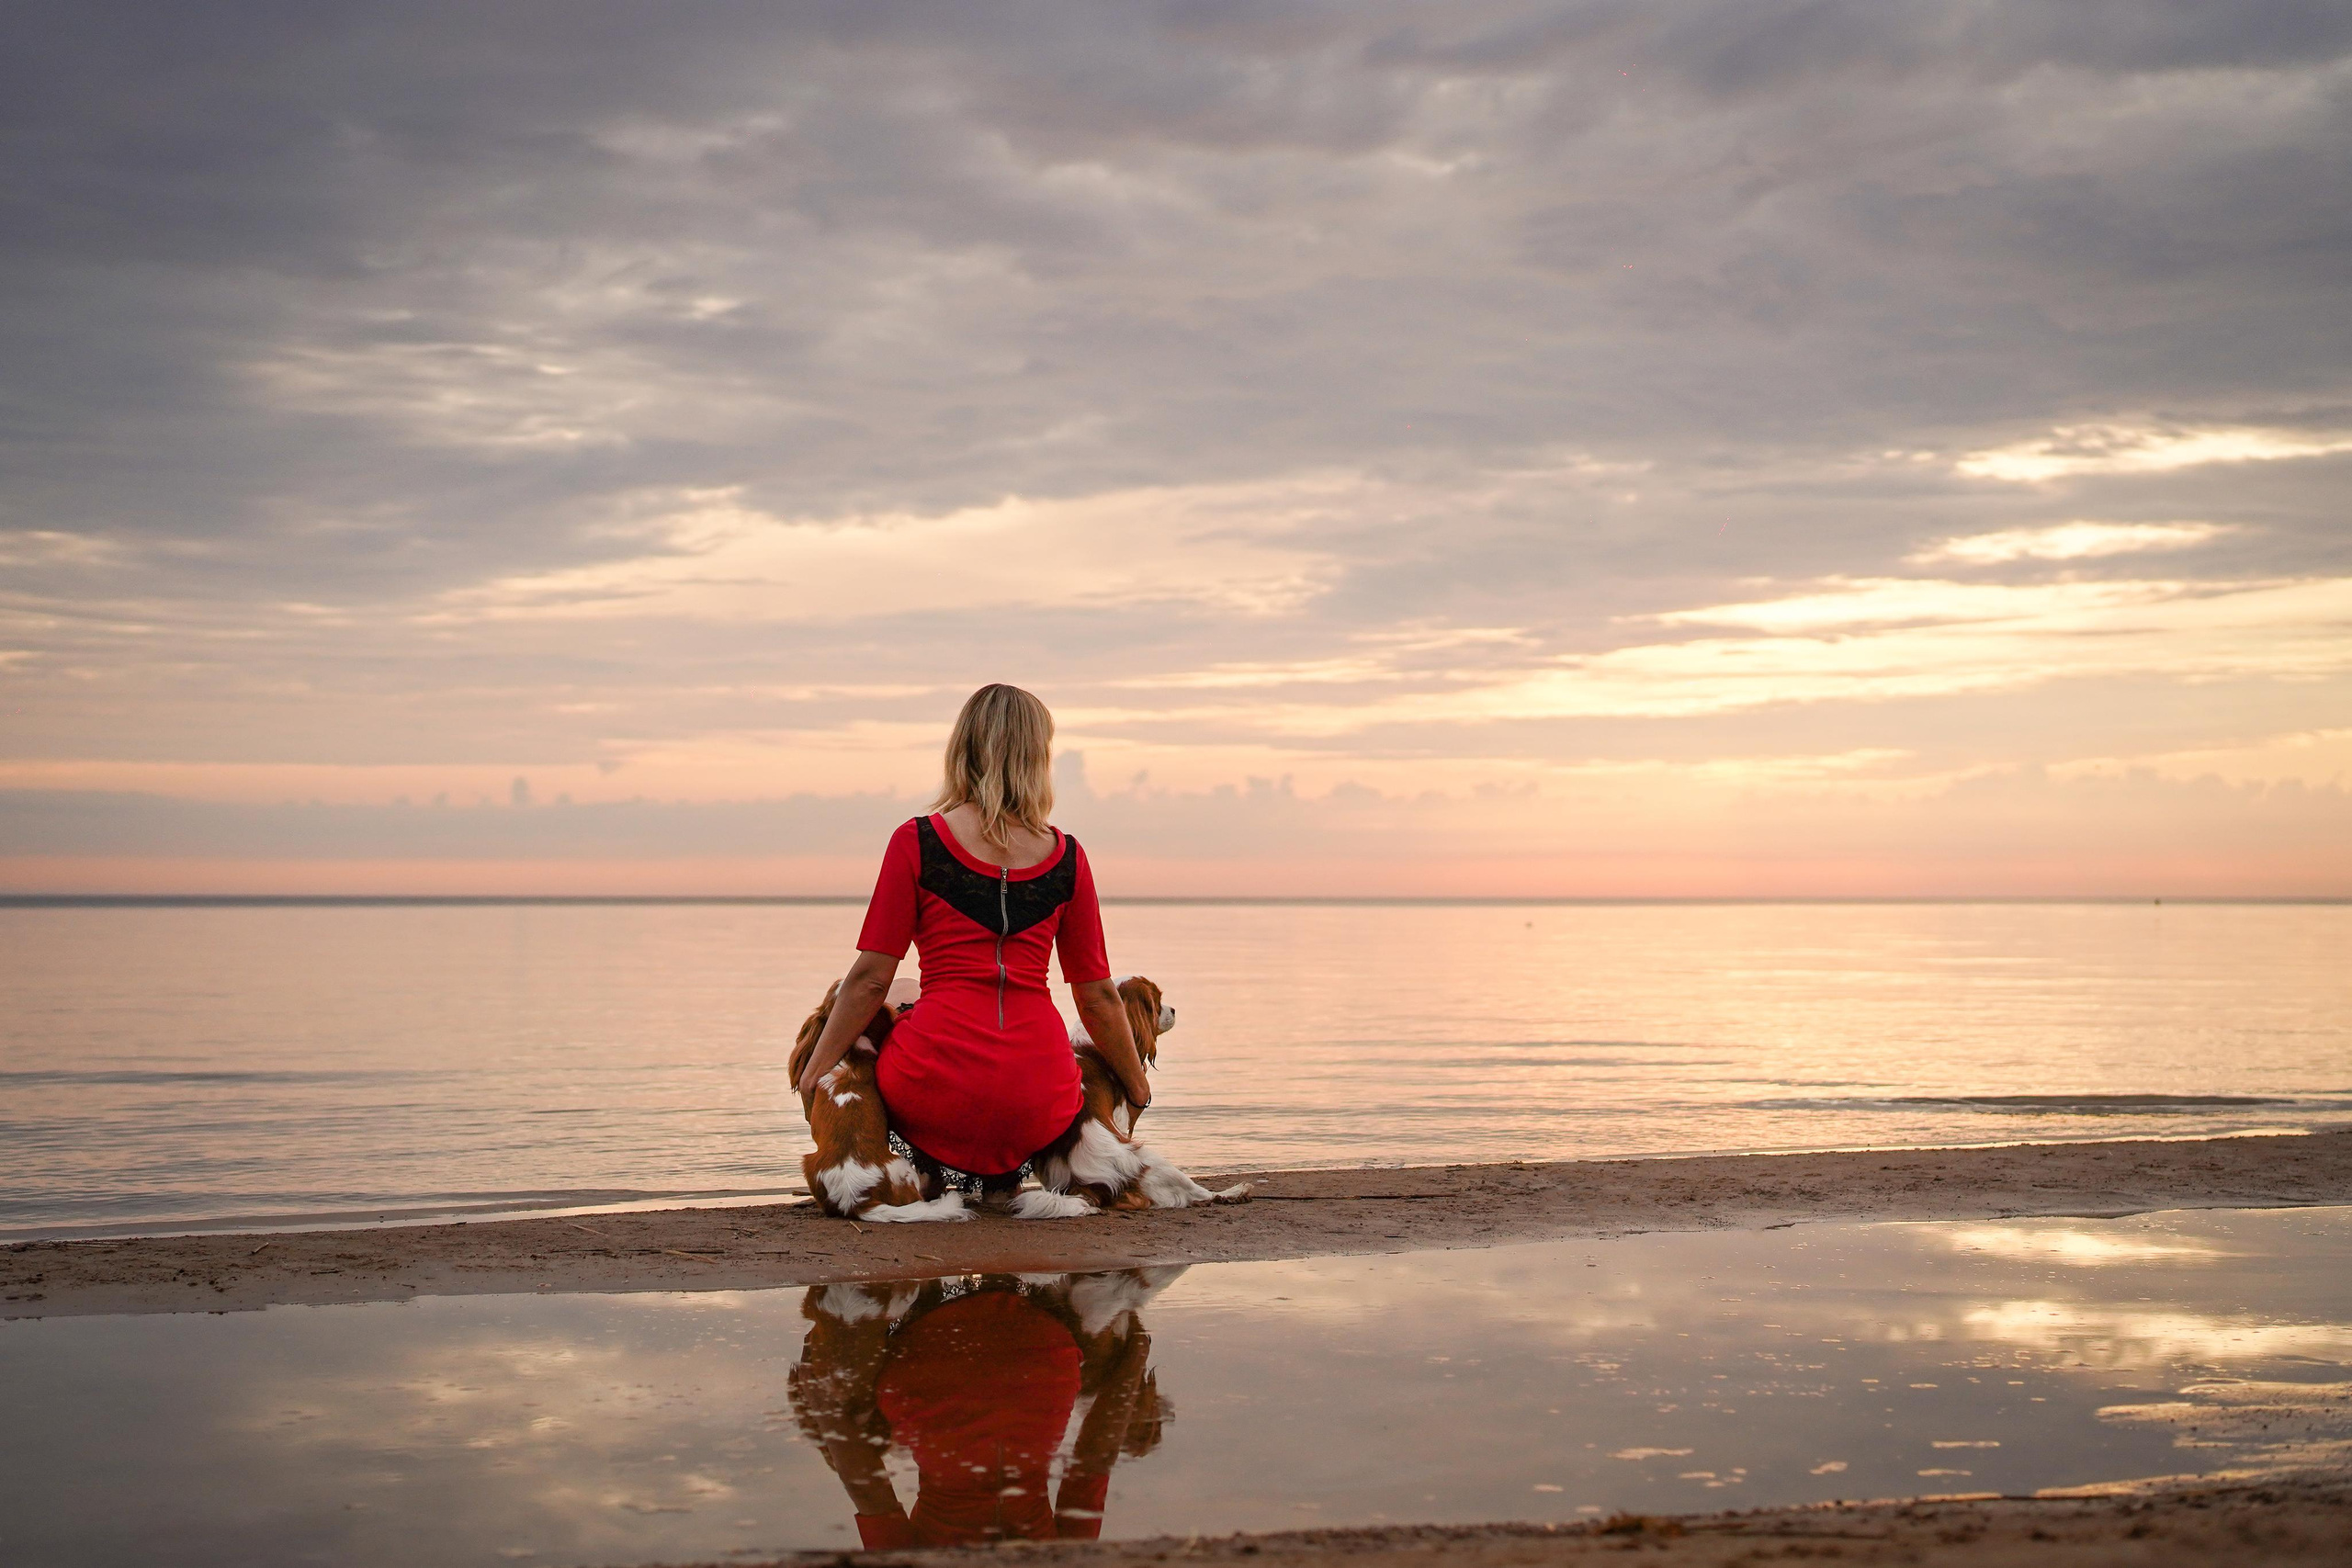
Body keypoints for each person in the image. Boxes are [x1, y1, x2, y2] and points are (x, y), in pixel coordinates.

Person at [794, 683, 1153, 1190]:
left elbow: (869, 982)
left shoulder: (915, 841)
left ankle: (894, 1174)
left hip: (936, 1090)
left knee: (893, 999)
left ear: (962, 749)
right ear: (1038, 758)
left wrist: (814, 1071)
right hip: (1041, 1095)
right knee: (924, 1006)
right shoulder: (1068, 856)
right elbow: (1096, 997)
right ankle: (1005, 1177)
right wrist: (1137, 1088)